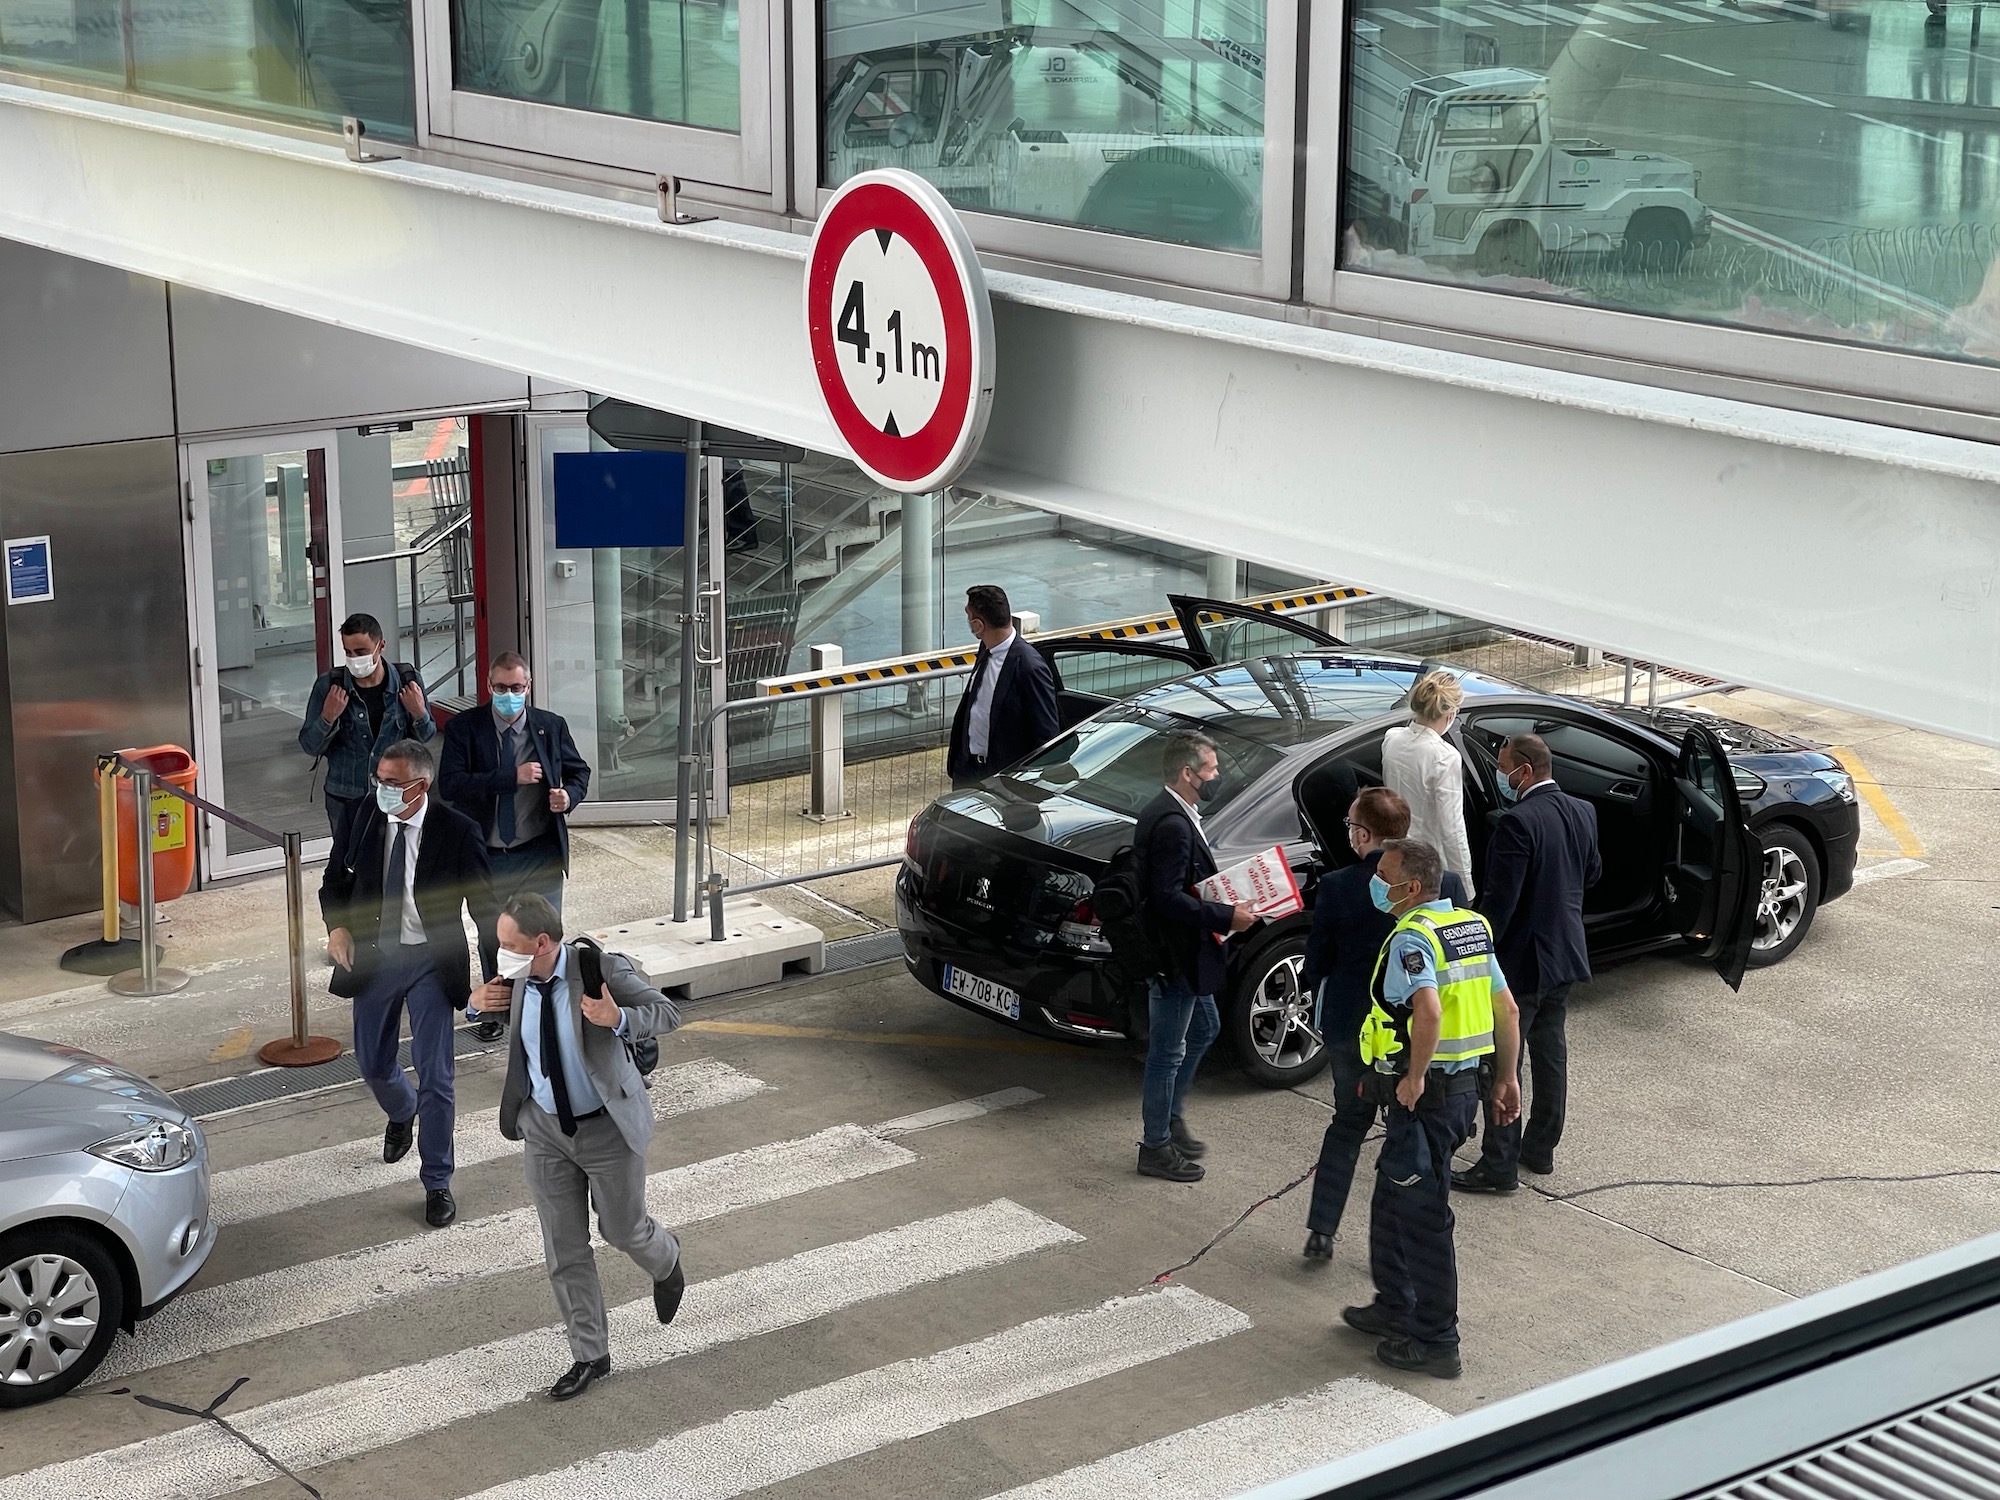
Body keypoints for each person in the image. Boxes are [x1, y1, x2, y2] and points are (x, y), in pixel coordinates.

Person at [473, 894, 685, 1402]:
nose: (501, 955)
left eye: (510, 945)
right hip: (545, 1130)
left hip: (607, 1129)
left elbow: (667, 1012)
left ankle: (666, 1259)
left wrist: (616, 1019)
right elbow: (511, 1028)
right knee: (564, 1249)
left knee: (622, 1229)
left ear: (542, 943)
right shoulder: (516, 978)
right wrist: (475, 1004)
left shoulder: (599, 968)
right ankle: (590, 1353)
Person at [1343, 838, 1520, 1380]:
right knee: (1392, 1194)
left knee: (1423, 1217)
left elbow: (1428, 1010)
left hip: (1428, 1096)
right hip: (1462, 1089)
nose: (1377, 880)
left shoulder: (1412, 938)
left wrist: (1414, 1078)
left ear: (1411, 887)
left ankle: (1437, 1340)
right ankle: (1394, 1303)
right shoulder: (1470, 927)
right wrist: (1508, 1078)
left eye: (1385, 873)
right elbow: (1506, 1007)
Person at [319, 738, 495, 1229]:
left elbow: (484, 907)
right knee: (374, 1064)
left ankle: (437, 1181)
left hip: (431, 963)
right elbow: (334, 882)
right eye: (379, 780)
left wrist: (500, 973)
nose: (382, 790)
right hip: (375, 958)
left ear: (421, 786)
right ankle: (402, 1110)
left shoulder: (457, 831)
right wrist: (337, 927)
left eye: (393, 783)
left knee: (436, 1075)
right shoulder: (361, 818)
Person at [1299, 787, 1466, 1260]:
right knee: (1410, 1135)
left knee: (1347, 1124)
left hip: (1356, 1030)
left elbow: (1317, 963)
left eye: (1352, 825)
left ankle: (1322, 1228)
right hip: (1416, 1037)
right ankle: (1401, 1242)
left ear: (1364, 834)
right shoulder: (1445, 884)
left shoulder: (1336, 886)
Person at [1454, 733, 1601, 1193]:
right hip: (1566, 951)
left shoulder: (1517, 823)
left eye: (1504, 767)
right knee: (1550, 1051)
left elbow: (1500, 903)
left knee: (1504, 1061)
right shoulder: (1583, 811)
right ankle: (1539, 1149)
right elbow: (1591, 872)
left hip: (1523, 961)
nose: (1502, 776)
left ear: (1525, 769)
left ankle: (1498, 1164)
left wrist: (1472, 950)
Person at [438, 651, 591, 1040]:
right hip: (487, 856)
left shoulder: (549, 726)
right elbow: (451, 785)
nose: (510, 695)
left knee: (544, 936)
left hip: (538, 852)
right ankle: (497, 1008)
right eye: (502, 688)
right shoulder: (464, 729)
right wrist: (510, 777)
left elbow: (578, 772)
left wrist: (568, 797)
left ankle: (550, 1005)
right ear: (489, 687)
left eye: (517, 688)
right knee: (494, 936)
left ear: (529, 687)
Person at [1133, 731, 1256, 1182]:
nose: (1217, 774)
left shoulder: (1173, 811)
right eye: (1210, 768)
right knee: (1166, 1052)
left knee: (1206, 1027)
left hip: (1185, 954)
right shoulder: (1171, 825)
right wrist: (1226, 917)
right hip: (1176, 956)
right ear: (1188, 774)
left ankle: (1171, 1117)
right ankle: (1156, 1145)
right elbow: (1166, 898)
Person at [299, 613, 437, 836]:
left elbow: (426, 736)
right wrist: (327, 717)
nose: (354, 659)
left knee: (392, 860)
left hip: (395, 794)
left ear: (380, 646)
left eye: (361, 652)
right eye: (348, 652)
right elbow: (309, 746)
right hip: (345, 797)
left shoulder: (407, 680)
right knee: (348, 864)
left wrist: (418, 712)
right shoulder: (329, 686)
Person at [945, 584, 1060, 788]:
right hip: (968, 772)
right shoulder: (986, 648)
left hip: (1005, 782)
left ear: (978, 625)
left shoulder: (1028, 666)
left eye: (968, 615)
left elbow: (1046, 735)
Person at [1382, 670, 1476, 901]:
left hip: (1395, 852)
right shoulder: (1445, 757)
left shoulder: (1392, 738)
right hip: (1429, 864)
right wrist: (1465, 884)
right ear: (1451, 713)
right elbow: (1451, 828)